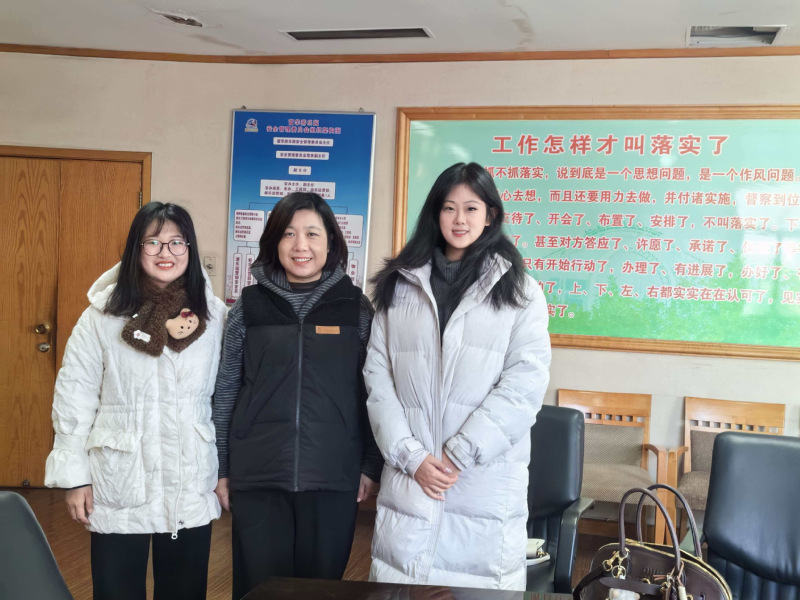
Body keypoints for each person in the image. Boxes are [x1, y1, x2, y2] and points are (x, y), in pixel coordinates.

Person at [364, 162, 551, 591]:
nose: (459, 219)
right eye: (449, 208)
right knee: (402, 584)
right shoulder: (398, 286)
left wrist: (460, 453)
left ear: (490, 215)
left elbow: (525, 384)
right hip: (411, 478)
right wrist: (411, 457)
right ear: (435, 213)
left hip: (482, 481)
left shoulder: (521, 291)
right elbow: (377, 378)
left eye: (471, 208)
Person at [44, 202, 227, 600]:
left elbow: (225, 397)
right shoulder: (102, 316)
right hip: (120, 480)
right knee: (117, 591)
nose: (166, 252)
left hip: (188, 478)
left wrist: (227, 471)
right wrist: (75, 477)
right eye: (153, 242)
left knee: (184, 591)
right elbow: (74, 395)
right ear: (135, 249)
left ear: (190, 249)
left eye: (177, 242)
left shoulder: (213, 316)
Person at [212, 192, 383, 600]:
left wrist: (371, 464)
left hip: (333, 475)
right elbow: (226, 390)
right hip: (258, 474)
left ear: (331, 242)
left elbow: (375, 393)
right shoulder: (248, 308)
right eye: (288, 234)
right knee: (259, 590)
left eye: (312, 234)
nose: (300, 245)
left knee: (321, 591)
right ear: (274, 242)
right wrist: (221, 467)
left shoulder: (356, 309)